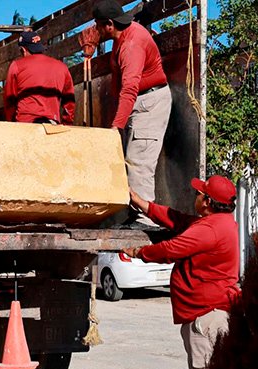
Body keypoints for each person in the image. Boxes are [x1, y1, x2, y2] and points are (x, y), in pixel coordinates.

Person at [122, 175, 241, 369]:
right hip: (211, 313)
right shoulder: (218, 222)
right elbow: (176, 219)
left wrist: (140, 253)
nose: (194, 195)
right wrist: (142, 204)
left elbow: (171, 249)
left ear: (207, 202)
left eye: (199, 193)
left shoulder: (209, 230)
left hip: (205, 320)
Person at [84, 0, 172, 228]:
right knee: (132, 158)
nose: (96, 30)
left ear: (109, 25)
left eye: (98, 26)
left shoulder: (132, 44)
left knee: (139, 160)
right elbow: (119, 85)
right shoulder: (121, 37)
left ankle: (145, 218)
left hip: (148, 103)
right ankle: (137, 213)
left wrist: (116, 126)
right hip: (140, 102)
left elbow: (130, 87)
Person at [4, 31, 76, 125]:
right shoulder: (62, 67)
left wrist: (12, 125)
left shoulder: (16, 66)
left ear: (23, 49)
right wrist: (66, 124)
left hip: (25, 124)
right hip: (52, 125)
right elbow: (69, 102)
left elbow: (10, 100)